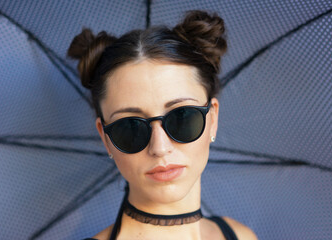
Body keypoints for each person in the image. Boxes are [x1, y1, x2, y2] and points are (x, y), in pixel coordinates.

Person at [67, 10, 257, 240]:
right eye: (131, 127)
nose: (159, 147)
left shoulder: (240, 236)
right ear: (105, 137)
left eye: (182, 117)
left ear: (212, 119)